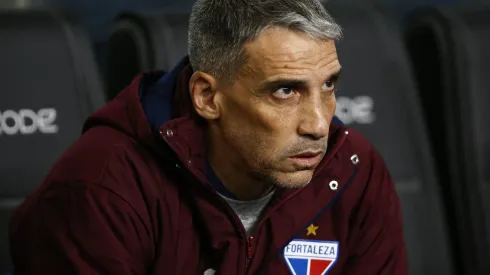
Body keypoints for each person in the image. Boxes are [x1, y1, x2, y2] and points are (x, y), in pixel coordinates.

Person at [9, 0, 408, 274]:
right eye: (285, 90)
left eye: (328, 85)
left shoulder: (354, 169)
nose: (319, 125)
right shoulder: (99, 190)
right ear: (207, 96)